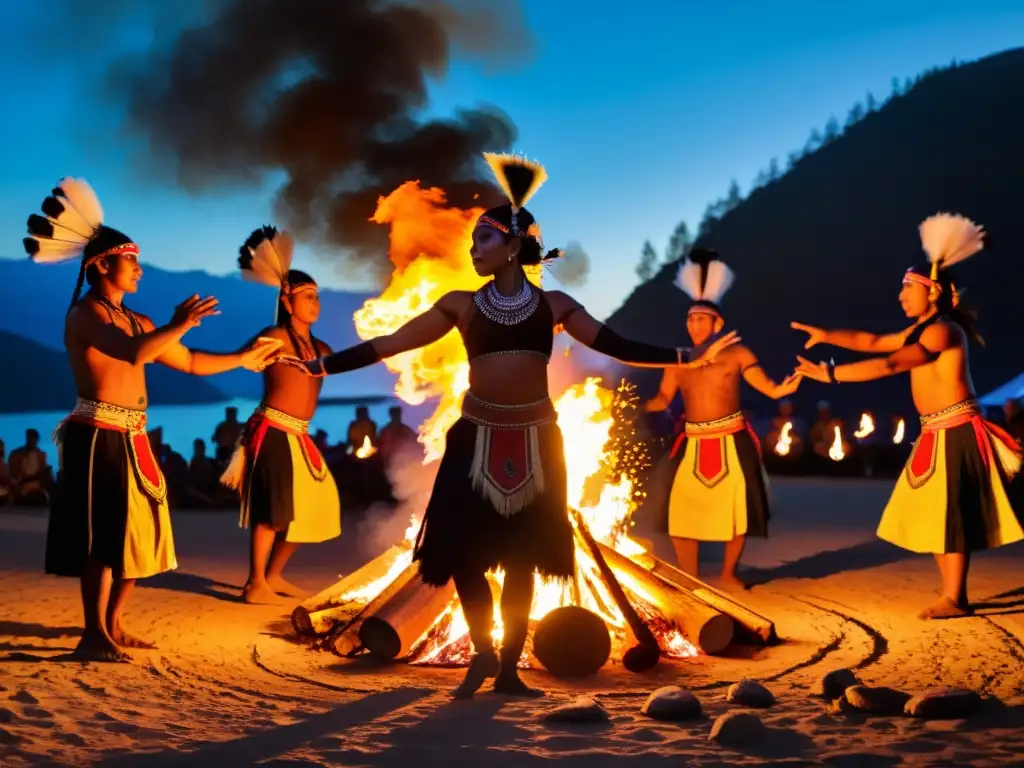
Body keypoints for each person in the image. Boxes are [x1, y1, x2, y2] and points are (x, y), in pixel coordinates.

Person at [282, 152, 740, 698]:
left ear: (514, 247)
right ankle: (481, 651)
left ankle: (507, 671)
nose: (473, 250)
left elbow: (615, 344)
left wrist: (684, 357)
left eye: (483, 241)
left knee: (524, 558)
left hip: (538, 439)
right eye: (473, 241)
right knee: (462, 555)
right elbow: (389, 343)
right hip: (474, 436)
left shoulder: (555, 305)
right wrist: (321, 365)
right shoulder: (459, 306)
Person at [24, 177, 281, 661]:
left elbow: (189, 362)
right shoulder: (86, 315)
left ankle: (115, 625)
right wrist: (177, 323)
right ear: (103, 264)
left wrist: (243, 358)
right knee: (102, 538)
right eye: (131, 260)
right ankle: (92, 633)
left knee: (137, 536)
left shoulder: (138, 319)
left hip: (134, 437)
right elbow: (132, 354)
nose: (139, 269)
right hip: (98, 434)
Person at [792, 213, 1022, 619]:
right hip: (936, 431)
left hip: (955, 429)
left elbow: (890, 364)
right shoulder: (920, 329)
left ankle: (955, 597)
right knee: (934, 512)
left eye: (907, 290)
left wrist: (830, 373)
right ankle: (953, 594)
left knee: (948, 513)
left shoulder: (942, 331)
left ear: (932, 293)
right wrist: (828, 336)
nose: (900, 297)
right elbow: (870, 342)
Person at [643, 250, 800, 589]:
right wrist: (632, 406)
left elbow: (768, 387)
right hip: (693, 441)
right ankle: (690, 576)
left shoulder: (738, 353)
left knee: (736, 510)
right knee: (681, 511)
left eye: (701, 319)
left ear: (718, 324)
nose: (694, 324)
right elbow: (663, 400)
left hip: (732, 438)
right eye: (690, 319)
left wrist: (781, 389)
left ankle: (729, 574)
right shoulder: (678, 361)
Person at [220, 226, 341, 605]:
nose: (314, 302)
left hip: (300, 435)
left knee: (320, 506)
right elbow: (243, 360)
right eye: (307, 296)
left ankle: (273, 575)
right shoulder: (273, 336)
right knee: (272, 511)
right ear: (287, 301)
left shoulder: (322, 346)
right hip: (272, 429)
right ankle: (255, 584)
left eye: (317, 296)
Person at [8, 428, 54, 505]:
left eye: (34, 439)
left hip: (37, 481)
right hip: (22, 482)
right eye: (30, 438)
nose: (32, 441)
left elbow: (43, 470)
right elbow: (12, 471)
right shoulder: (16, 454)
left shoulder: (41, 454)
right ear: (27, 438)